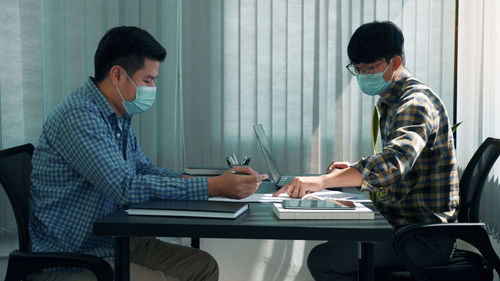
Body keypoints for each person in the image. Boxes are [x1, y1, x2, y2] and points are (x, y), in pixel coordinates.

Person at [28, 26, 268, 281]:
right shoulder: (80, 116)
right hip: (76, 259)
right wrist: (213, 187)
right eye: (148, 80)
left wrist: (196, 181)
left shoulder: (117, 114)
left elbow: (143, 168)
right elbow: (124, 187)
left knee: (202, 267)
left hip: (118, 243)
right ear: (118, 75)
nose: (152, 87)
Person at [273, 21, 459, 281]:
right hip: (402, 226)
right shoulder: (393, 101)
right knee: (336, 241)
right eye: (357, 69)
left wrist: (320, 182)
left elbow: (394, 163)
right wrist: (352, 170)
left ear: (395, 62)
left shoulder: (415, 103)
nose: (362, 76)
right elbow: (403, 164)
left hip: (421, 238)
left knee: (323, 260)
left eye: (369, 68)